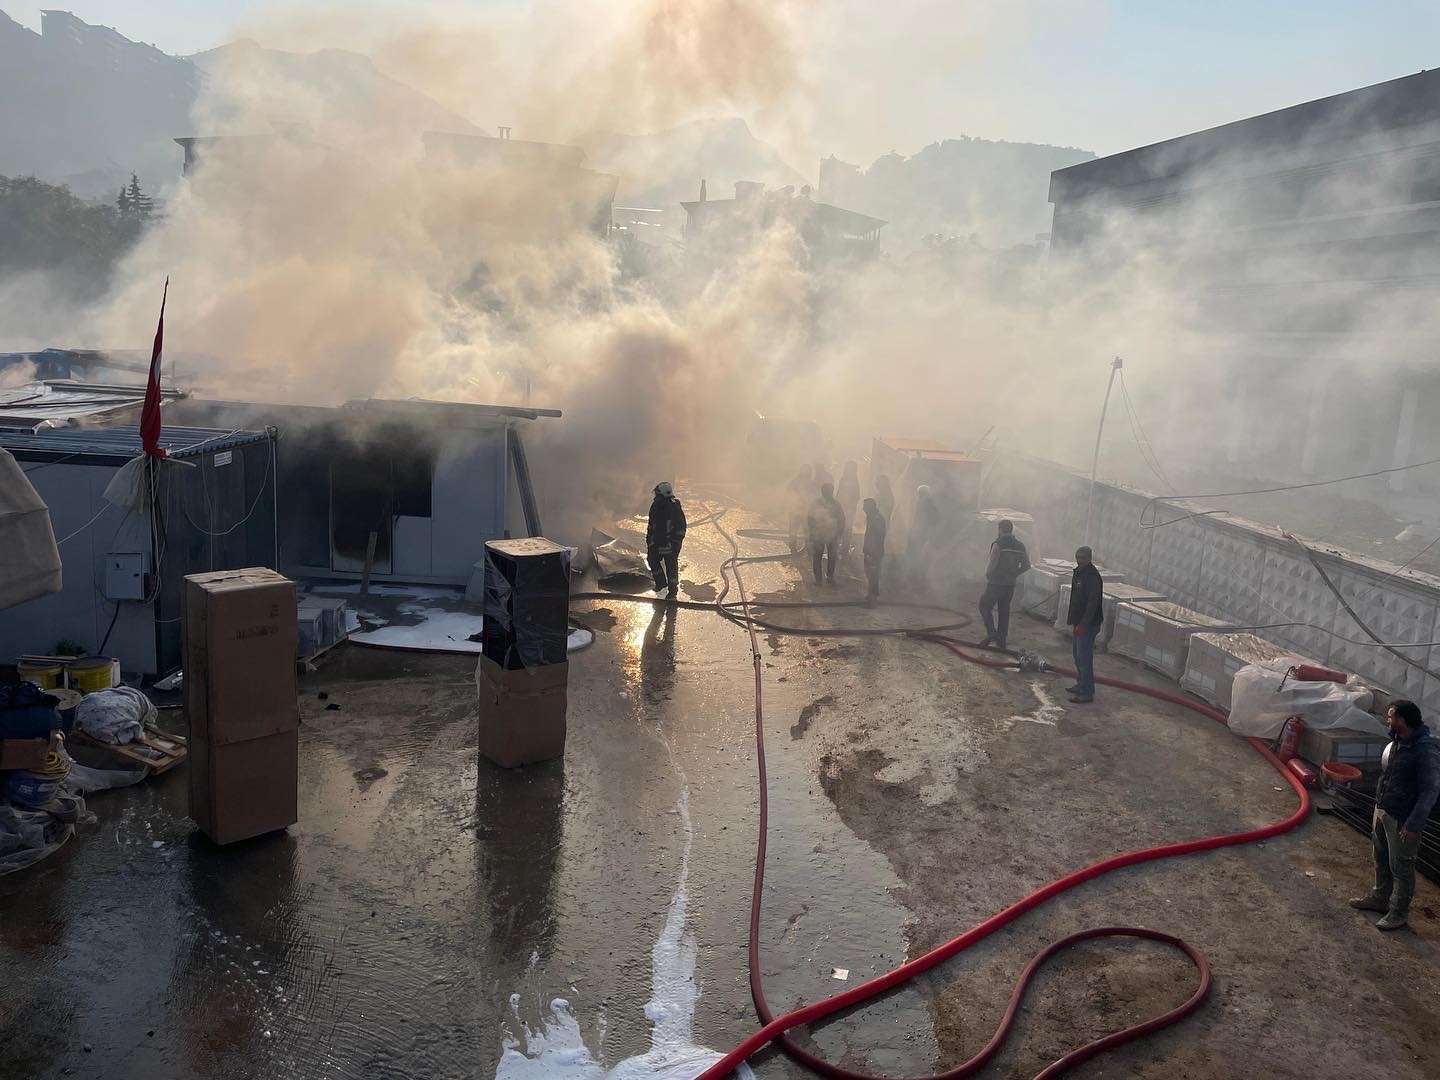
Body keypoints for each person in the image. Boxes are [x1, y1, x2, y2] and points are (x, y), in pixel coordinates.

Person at [1349, 699, 1440, 930]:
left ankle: (1398, 913)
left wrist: (1413, 825)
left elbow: (1430, 790)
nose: (1387, 720)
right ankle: (1380, 899)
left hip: (1403, 819)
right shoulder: (1398, 742)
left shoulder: (1424, 750)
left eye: (1390, 717)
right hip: (1384, 809)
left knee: (1401, 866)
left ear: (1402, 720)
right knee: (1380, 857)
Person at [978, 519, 1031, 650]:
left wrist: (988, 575)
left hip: (996, 583)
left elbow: (992, 564)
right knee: (1004, 610)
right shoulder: (1020, 546)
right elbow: (1026, 565)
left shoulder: (998, 544)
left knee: (984, 606)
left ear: (1000, 529)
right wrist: (1014, 574)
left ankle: (992, 634)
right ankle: (1001, 640)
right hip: (1010, 585)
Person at [1065, 546, 1104, 703]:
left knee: (1084, 658)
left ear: (1089, 558)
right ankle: (1081, 684)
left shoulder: (1092, 577)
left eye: (1082, 558)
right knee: (1077, 655)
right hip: (1078, 622)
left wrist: (1084, 624)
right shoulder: (1079, 573)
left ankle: (1087, 692)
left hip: (1087, 624)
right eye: (1077, 557)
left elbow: (1092, 604)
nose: (1078, 560)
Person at [646, 481, 687, 599]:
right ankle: (661, 583)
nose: (656, 496)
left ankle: (672, 591)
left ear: (663, 494)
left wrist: (676, 542)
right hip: (657, 542)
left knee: (671, 567)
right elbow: (651, 524)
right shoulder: (655, 506)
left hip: (670, 544)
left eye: (657, 494)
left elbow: (681, 527)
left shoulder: (674, 507)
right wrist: (649, 539)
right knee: (652, 560)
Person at [807, 482, 846, 585]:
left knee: (831, 556)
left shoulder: (834, 504)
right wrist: (811, 532)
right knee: (819, 557)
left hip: (830, 534)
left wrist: (839, 532)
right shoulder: (818, 503)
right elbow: (810, 519)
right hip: (819, 534)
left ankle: (828, 577)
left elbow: (841, 519)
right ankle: (820, 579)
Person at [861, 498, 886, 605]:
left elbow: (878, 536)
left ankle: (873, 598)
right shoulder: (872, 516)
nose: (863, 508)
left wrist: (871, 551)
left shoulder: (876, 518)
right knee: (869, 572)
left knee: (873, 573)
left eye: (865, 506)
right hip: (870, 550)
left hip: (874, 551)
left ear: (870, 507)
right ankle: (871, 593)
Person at [785, 465, 813, 553]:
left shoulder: (808, 483)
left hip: (804, 511)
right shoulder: (796, 482)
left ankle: (806, 549)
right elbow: (789, 494)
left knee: (804, 530)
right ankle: (794, 548)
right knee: (795, 530)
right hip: (796, 510)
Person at [837, 461, 861, 556]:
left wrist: (850, 507)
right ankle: (843, 546)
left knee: (846, 528)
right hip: (844, 507)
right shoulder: (848, 478)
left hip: (848, 508)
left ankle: (844, 547)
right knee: (844, 527)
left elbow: (856, 496)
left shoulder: (852, 479)